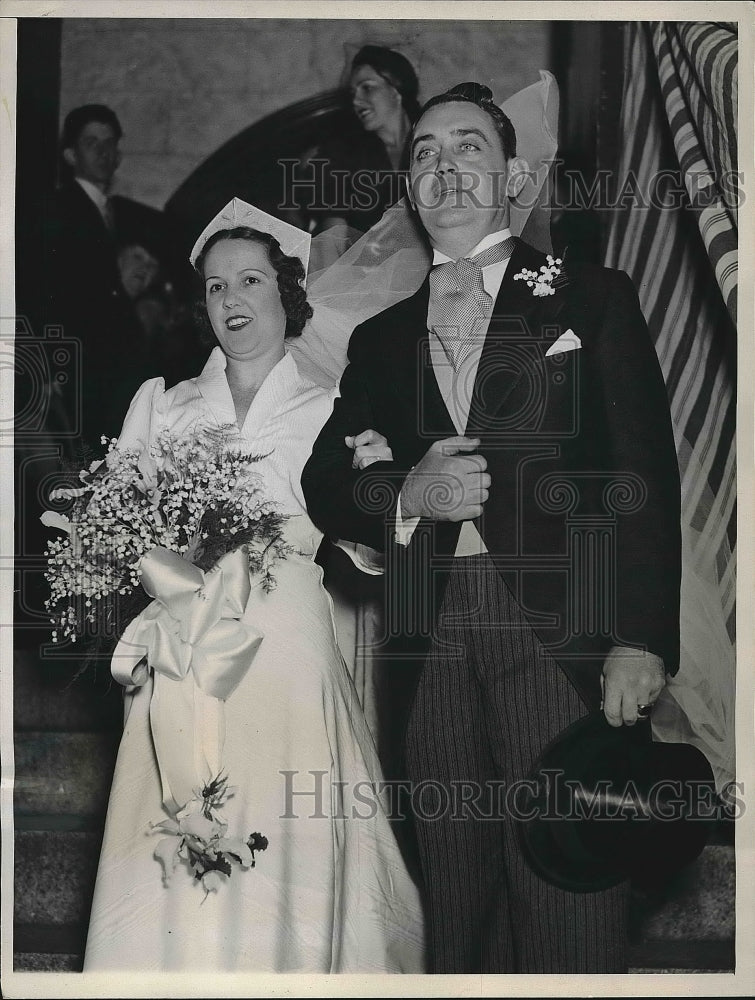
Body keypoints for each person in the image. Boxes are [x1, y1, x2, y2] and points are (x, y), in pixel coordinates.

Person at [301, 83, 682, 973]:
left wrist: (640, 638)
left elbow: (642, 474)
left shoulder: (590, 298)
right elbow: (325, 479)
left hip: (561, 630)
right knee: (454, 893)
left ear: (512, 176)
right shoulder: (381, 339)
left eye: (467, 148)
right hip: (425, 636)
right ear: (409, 185)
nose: (444, 167)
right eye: (425, 153)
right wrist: (405, 493)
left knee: (566, 882)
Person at [82, 199, 425, 973]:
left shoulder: (332, 410)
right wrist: (179, 591)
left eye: (249, 281)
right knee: (177, 842)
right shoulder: (162, 407)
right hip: (183, 653)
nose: (231, 300)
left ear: (285, 293)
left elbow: (370, 552)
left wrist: (382, 491)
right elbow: (119, 538)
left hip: (290, 652)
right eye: (213, 287)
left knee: (284, 846)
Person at [45, 104, 174, 450]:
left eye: (110, 143)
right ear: (71, 154)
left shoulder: (125, 214)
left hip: (120, 365)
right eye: (92, 143)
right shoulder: (57, 210)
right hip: (83, 368)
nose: (104, 152)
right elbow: (56, 291)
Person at [297, 45, 420, 235]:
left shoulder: (433, 139)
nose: (356, 101)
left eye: (367, 88)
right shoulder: (341, 154)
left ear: (397, 88)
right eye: (353, 93)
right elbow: (333, 235)